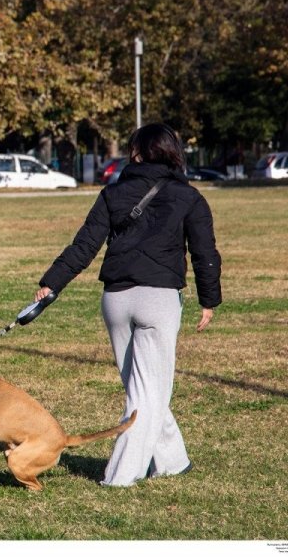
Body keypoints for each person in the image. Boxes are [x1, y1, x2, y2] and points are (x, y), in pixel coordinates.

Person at [35, 122, 222, 487]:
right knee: (148, 390)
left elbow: (83, 246)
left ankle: (172, 461)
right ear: (172, 152)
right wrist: (209, 299)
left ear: (137, 153)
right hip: (159, 300)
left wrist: (51, 281)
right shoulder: (190, 198)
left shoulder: (113, 194)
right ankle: (120, 475)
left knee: (142, 389)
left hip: (116, 301)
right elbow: (205, 254)